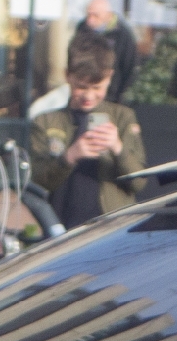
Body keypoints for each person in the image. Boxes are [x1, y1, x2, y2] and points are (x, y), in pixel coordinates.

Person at [30, 33, 147, 228]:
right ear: (67, 76)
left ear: (109, 77)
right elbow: (38, 181)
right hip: (63, 226)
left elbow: (139, 182)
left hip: (111, 227)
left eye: (96, 87)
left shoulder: (123, 117)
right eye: (81, 87)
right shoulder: (46, 122)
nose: (89, 95)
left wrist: (117, 148)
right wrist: (69, 157)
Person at [72, 0, 141, 102]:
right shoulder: (82, 28)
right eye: (88, 15)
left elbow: (129, 66)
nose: (90, 20)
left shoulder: (122, 34)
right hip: (83, 92)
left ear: (108, 16)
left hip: (111, 95)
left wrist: (120, 94)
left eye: (95, 16)